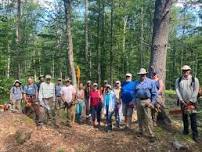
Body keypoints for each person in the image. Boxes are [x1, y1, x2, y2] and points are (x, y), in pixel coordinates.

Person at [175, 65, 200, 142]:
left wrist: (191, 101)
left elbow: (196, 90)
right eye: (184, 70)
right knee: (184, 117)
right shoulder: (178, 80)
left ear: (189, 71)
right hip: (183, 102)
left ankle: (195, 135)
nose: (185, 72)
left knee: (193, 118)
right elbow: (177, 90)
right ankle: (186, 131)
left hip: (192, 103)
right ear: (182, 71)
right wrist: (181, 100)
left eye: (187, 70)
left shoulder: (194, 79)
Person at [135, 68, 157, 142]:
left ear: (146, 74)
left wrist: (152, 103)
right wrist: (135, 101)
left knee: (148, 119)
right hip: (138, 101)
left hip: (147, 101)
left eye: (143, 74)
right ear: (139, 75)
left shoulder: (151, 82)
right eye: (141, 75)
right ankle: (141, 131)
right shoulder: (137, 82)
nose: (142, 76)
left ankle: (151, 134)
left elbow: (154, 93)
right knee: (139, 118)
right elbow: (135, 93)